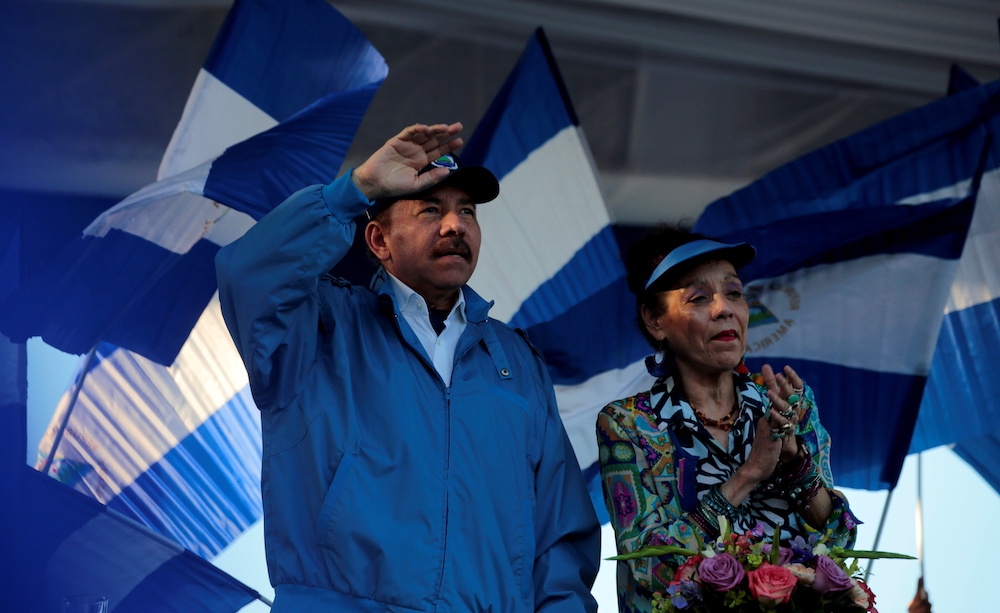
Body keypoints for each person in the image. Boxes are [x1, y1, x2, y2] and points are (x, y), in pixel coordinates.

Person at [216, 122, 600, 612]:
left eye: (467, 212)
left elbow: (559, 532)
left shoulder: (517, 359)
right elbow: (248, 274)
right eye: (430, 210)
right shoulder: (317, 325)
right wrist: (355, 191)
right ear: (378, 240)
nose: (455, 225)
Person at [596, 225, 859, 612]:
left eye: (734, 292)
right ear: (655, 320)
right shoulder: (629, 424)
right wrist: (748, 474)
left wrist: (794, 464)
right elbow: (648, 567)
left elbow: (838, 544)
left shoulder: (787, 404)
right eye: (699, 298)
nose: (725, 309)